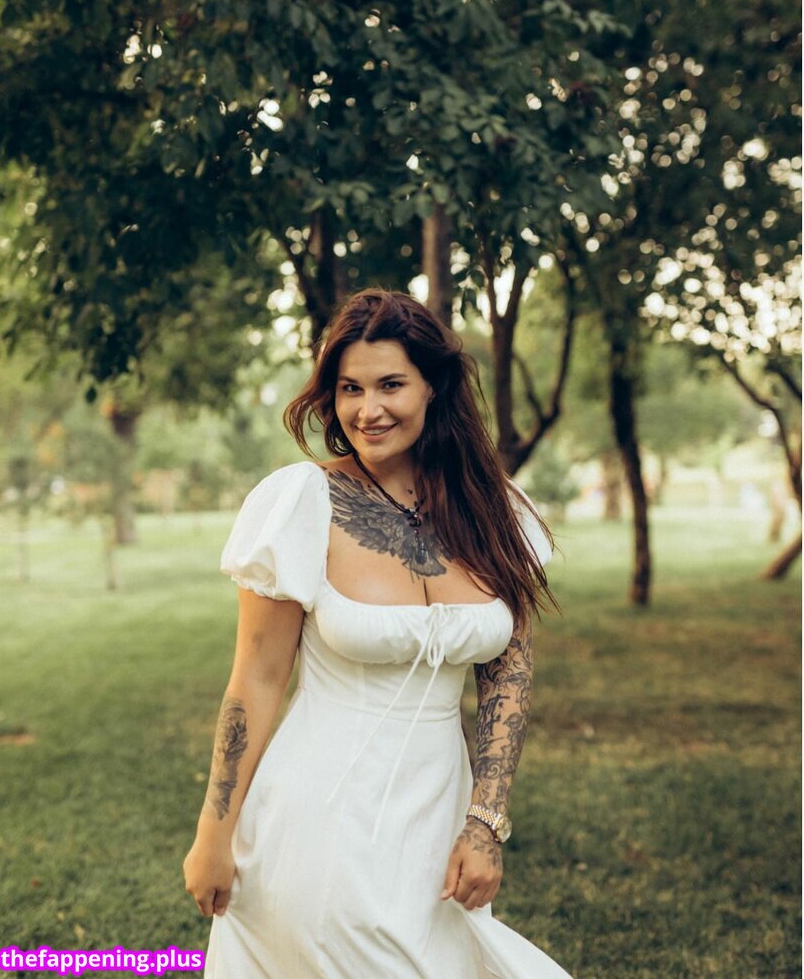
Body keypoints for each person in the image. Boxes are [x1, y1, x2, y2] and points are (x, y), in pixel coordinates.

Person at [183, 288, 573, 978]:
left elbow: (508, 677)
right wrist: (213, 835)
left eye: (391, 384)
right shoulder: (301, 502)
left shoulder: (496, 512)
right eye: (350, 389)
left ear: (433, 386)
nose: (369, 409)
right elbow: (257, 680)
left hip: (436, 812)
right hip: (316, 814)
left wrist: (485, 822)